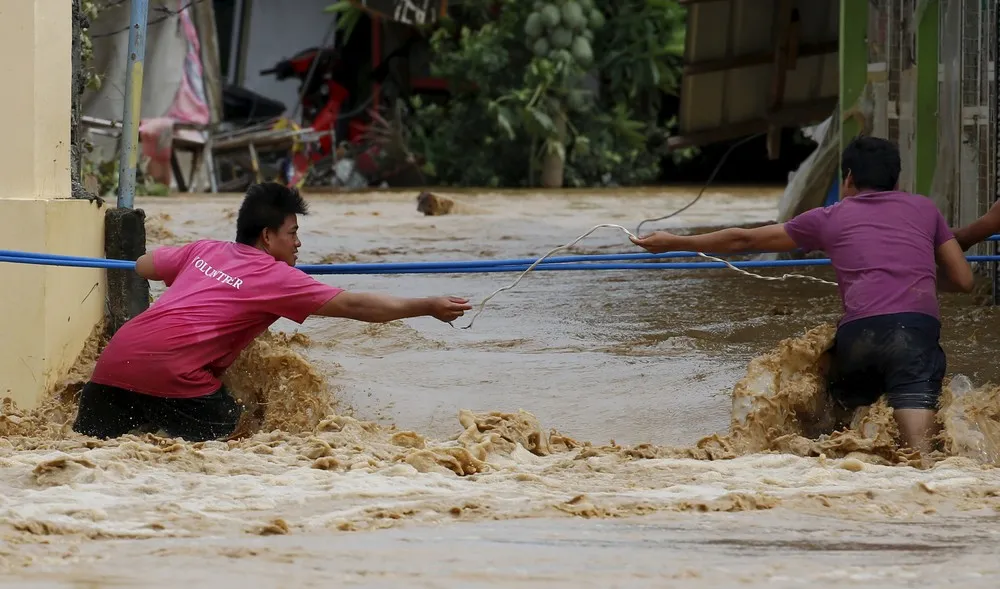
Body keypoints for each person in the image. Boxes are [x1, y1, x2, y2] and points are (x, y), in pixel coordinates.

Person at [630, 136, 974, 455]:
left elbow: (745, 240)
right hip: (915, 333)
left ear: (848, 178)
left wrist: (677, 243)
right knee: (920, 453)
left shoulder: (829, 217)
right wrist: (919, 275)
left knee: (845, 432)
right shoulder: (926, 210)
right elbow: (963, 280)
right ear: (897, 182)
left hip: (858, 336)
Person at [73, 182, 472, 442]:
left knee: (89, 456)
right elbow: (356, 305)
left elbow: (144, 265)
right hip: (177, 381)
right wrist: (428, 306)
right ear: (268, 237)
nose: (298, 244)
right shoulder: (278, 278)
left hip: (112, 370)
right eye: (293, 233)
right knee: (239, 444)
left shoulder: (204, 250)